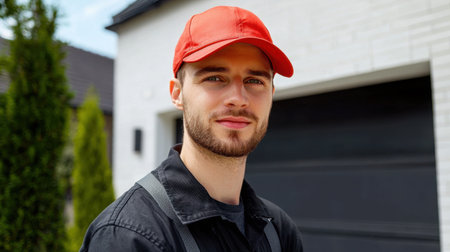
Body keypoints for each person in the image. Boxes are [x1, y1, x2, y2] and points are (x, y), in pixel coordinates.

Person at [80, 5, 303, 252]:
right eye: (215, 78)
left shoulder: (278, 230)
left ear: (271, 95)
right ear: (177, 94)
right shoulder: (129, 236)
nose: (238, 98)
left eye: (254, 81)